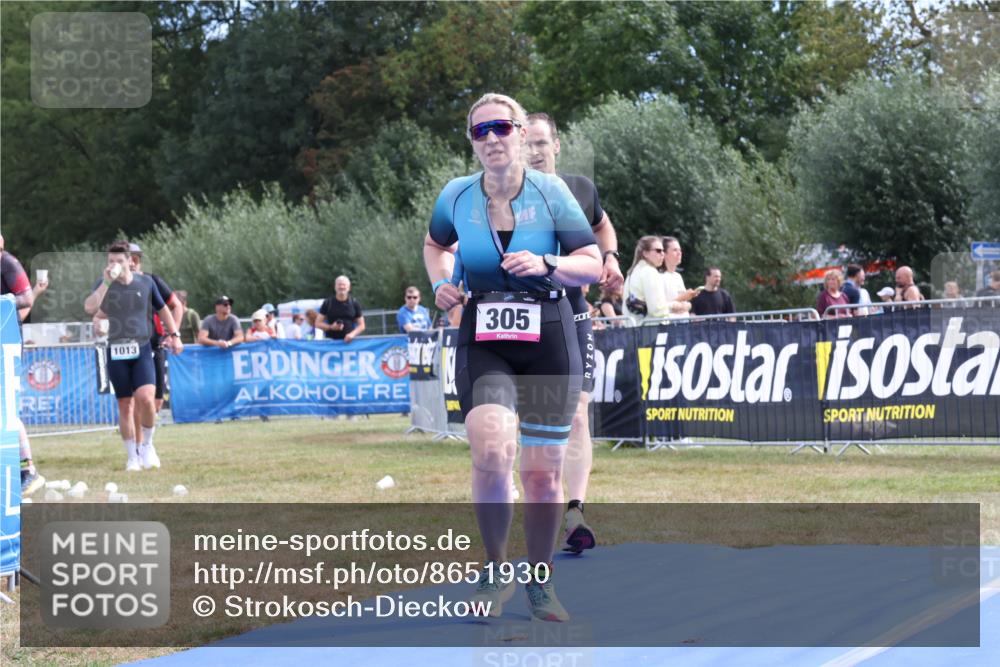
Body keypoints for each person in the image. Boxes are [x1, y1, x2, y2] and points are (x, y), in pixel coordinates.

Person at [424, 93, 601, 622]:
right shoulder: (456, 195)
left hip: (549, 335)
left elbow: (591, 263)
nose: (492, 138)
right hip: (484, 335)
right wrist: (441, 283)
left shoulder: (553, 193)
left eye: (502, 127)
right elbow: (435, 245)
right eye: (480, 131)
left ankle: (540, 581)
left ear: (522, 134)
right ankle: (496, 569)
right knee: (492, 448)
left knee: (543, 474)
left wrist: (547, 262)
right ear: (471, 142)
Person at [525, 112, 625, 555]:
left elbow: (601, 224)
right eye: (527, 144)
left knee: (578, 414)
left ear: (556, 145)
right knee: (531, 421)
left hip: (573, 312)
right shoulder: (505, 196)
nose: (534, 152)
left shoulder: (580, 188)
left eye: (540, 143)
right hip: (525, 318)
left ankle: (575, 512)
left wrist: (611, 257)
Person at [89, 242, 183, 471]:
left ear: (130, 261)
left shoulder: (146, 282)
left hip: (142, 348)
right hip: (116, 350)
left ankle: (147, 445)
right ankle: (132, 457)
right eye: (111, 261)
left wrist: (175, 335)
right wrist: (98, 322)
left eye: (119, 261)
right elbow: (93, 310)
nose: (114, 265)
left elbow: (164, 310)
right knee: (124, 404)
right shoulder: (105, 285)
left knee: (147, 399)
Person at [0, 233, 47, 496]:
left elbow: (26, 298)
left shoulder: (7, 263)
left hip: (6, 342)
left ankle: (28, 470)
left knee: (6, 407)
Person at [623, 236, 670, 321]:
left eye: (663, 250)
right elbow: (657, 310)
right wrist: (674, 306)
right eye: (658, 250)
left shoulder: (632, 273)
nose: (662, 254)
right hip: (651, 326)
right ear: (645, 253)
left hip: (633, 326)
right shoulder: (649, 272)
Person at [659, 236, 700, 318]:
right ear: (664, 254)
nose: (679, 253)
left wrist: (688, 300)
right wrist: (683, 298)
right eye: (675, 250)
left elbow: (683, 304)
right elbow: (659, 308)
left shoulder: (678, 276)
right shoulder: (658, 277)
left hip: (683, 322)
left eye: (680, 250)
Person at [317, 276, 365, 343]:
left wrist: (352, 334)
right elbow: (318, 323)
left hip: (349, 343)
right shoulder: (327, 303)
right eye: (339, 284)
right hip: (331, 343)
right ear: (335, 287)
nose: (341, 287)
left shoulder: (354, 303)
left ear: (349, 288)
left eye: (344, 285)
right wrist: (331, 327)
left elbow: (362, 325)